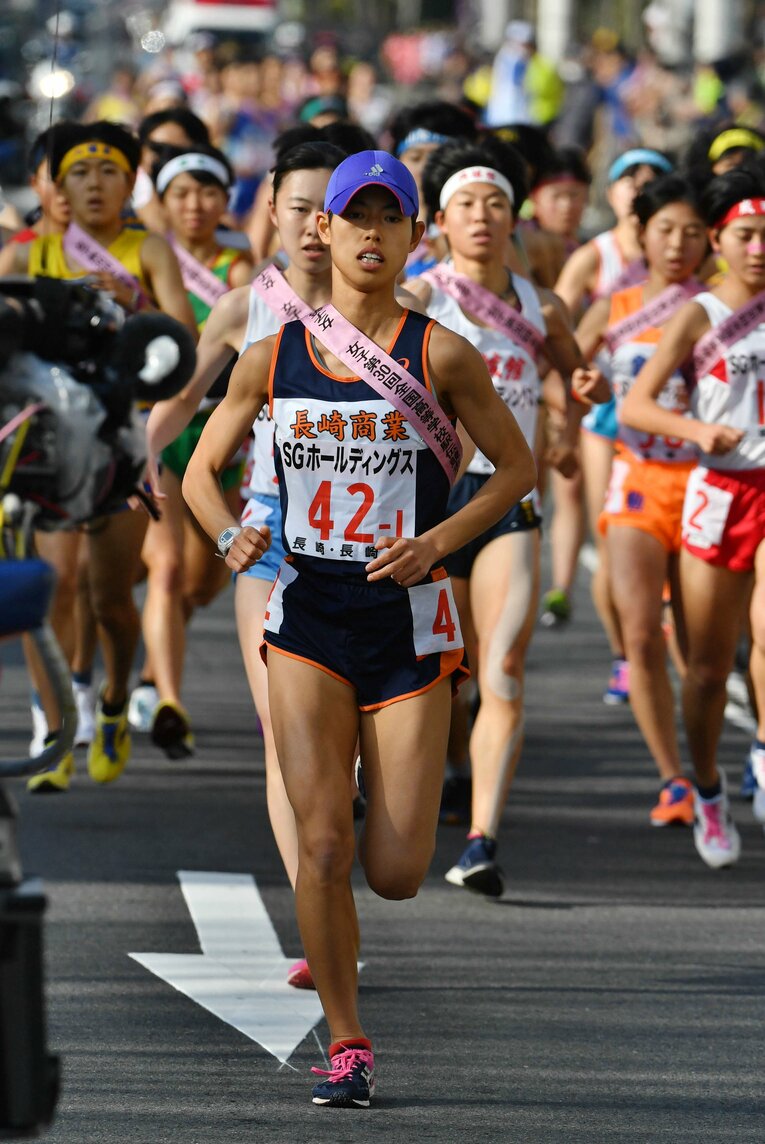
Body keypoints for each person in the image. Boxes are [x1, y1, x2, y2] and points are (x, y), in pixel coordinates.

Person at [183, 150, 536, 1106]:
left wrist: (439, 542)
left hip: (409, 623)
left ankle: (377, 816)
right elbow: (197, 472)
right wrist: (230, 535)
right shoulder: (273, 357)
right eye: (355, 218)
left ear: (412, 236)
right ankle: (346, 1041)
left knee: (395, 872)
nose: (371, 235)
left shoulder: (440, 354)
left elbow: (516, 467)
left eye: (390, 219)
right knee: (323, 845)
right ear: (323, 233)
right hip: (308, 614)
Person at [146, 139, 346, 986]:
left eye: (327, 211)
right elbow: (184, 398)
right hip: (269, 542)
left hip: (373, 556)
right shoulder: (243, 307)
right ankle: (320, 908)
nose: (311, 226)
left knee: (351, 748)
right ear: (269, 208)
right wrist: (130, 461)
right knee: (283, 738)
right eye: (297, 207)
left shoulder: (398, 311)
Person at [406, 137, 607, 892]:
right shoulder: (420, 296)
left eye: (495, 203)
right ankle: (436, 779)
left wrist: (574, 400)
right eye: (466, 204)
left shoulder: (540, 304)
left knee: (504, 668)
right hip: (429, 509)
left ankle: (481, 838)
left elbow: (575, 380)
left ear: (514, 216)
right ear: (439, 222)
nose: (483, 216)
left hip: (506, 502)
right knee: (442, 674)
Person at [0, 119, 195, 790]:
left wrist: (130, 301)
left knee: (111, 598)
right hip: (49, 447)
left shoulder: (150, 250)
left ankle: (112, 702)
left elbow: (181, 343)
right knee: (50, 591)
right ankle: (54, 727)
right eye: (78, 172)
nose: (93, 184)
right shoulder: (28, 253)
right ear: (55, 185)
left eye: (108, 171)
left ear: (128, 183)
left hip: (122, 442)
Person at [621, 163, 765, 868]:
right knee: (707, 672)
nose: (758, 247)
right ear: (719, 238)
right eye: (744, 235)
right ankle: (706, 785)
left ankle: (763, 754)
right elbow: (635, 405)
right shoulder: (698, 314)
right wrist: (697, 433)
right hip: (720, 490)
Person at [576, 174, 709, 826]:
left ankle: (720, 761)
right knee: (639, 632)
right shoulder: (615, 305)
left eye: (691, 231)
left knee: (700, 647)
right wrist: (588, 388)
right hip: (636, 480)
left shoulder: (723, 306)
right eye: (664, 229)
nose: (678, 243)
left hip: (711, 483)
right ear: (642, 233)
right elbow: (567, 377)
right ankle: (672, 778)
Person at [131, 144, 253, 756]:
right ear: (163, 202)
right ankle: (167, 695)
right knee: (170, 567)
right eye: (181, 194)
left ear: (225, 200)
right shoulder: (147, 259)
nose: (195, 205)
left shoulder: (238, 270)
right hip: (162, 429)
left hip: (221, 433)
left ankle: (156, 662)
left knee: (205, 580)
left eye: (207, 192)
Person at [543, 149, 673, 703]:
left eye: (653, 181)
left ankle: (657, 634)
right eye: (630, 179)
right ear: (615, 192)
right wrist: (562, 419)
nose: (640, 188)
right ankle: (625, 652)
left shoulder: (694, 275)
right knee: (612, 535)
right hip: (607, 419)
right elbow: (561, 339)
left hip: (675, 429)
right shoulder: (596, 258)